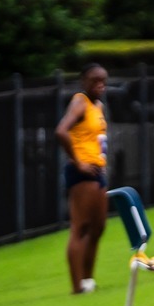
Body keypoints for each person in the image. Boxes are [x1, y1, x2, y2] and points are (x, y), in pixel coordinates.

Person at [54, 64, 109, 294]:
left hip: (97, 170)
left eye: (103, 81)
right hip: (82, 172)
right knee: (81, 227)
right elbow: (61, 131)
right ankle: (77, 286)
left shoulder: (98, 106)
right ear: (84, 81)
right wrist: (78, 162)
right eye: (95, 81)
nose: (100, 85)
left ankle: (88, 280)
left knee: (98, 227)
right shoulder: (80, 102)